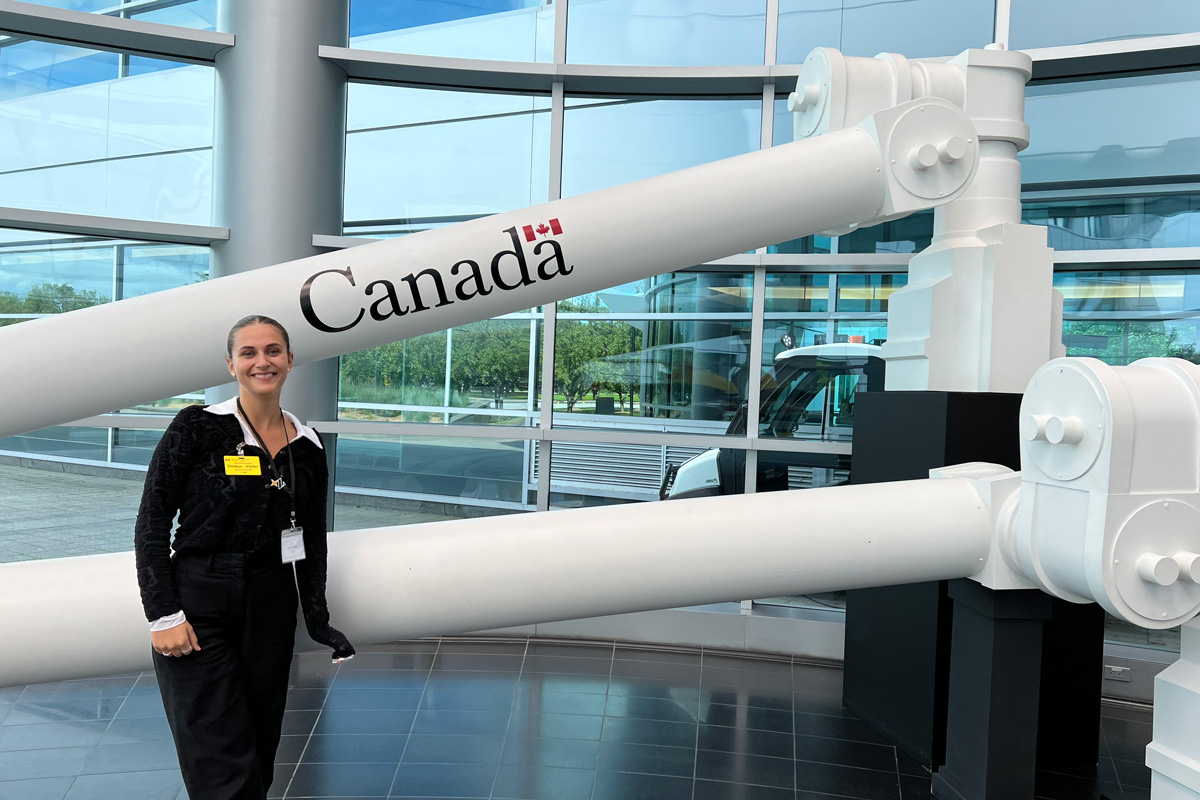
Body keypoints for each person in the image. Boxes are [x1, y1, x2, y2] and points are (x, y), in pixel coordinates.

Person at [134, 314, 354, 800]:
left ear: (291, 361)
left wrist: (318, 620)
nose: (263, 361)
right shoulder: (197, 427)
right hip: (200, 599)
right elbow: (151, 523)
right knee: (217, 753)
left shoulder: (308, 445)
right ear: (231, 364)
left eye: (273, 351)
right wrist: (163, 613)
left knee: (259, 746)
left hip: (271, 603)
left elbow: (311, 539)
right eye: (250, 353)